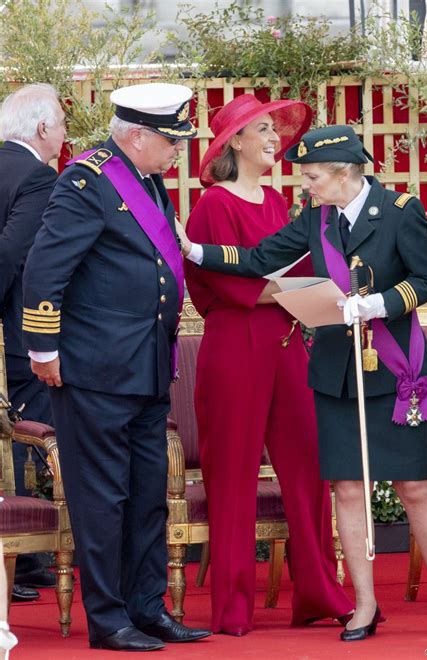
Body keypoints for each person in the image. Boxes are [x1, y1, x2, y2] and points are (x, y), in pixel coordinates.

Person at [177, 124, 427, 640]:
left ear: (344, 174)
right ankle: (362, 605)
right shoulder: (315, 218)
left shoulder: (401, 211)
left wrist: (377, 303)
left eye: (313, 177)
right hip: (337, 372)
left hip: (396, 367)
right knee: (346, 487)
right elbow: (259, 260)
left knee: (417, 486)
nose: (305, 186)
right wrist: (195, 250)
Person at [22, 82, 212, 652]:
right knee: (102, 499)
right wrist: (44, 350)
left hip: (148, 366)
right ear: (135, 135)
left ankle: (147, 608)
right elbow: (45, 269)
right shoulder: (86, 181)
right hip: (96, 370)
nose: (180, 149)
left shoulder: (151, 183)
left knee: (146, 493)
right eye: (171, 139)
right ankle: (108, 619)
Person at [184, 95, 354, 636]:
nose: (273, 138)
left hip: (287, 344)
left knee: (307, 468)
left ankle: (319, 594)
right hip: (235, 349)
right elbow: (234, 286)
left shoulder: (280, 201)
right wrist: (292, 290)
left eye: (273, 130)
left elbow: (293, 273)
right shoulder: (213, 204)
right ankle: (233, 610)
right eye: (262, 130)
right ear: (234, 142)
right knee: (231, 476)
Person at [0, 83, 65, 602]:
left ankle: (30, 559)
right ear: (42, 129)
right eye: (62, 124)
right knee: (25, 438)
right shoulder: (38, 177)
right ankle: (21, 559)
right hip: (20, 333)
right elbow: (14, 253)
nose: (65, 134)